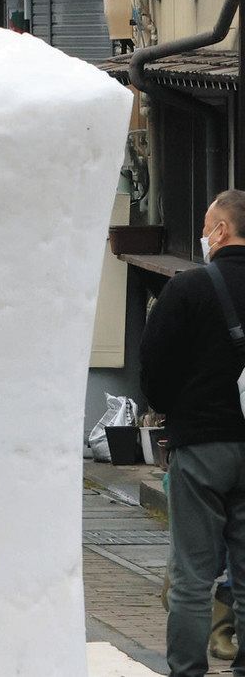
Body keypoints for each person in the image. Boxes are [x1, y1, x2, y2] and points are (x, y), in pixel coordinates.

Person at [141, 189, 245, 677]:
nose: (203, 235)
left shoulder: (188, 289)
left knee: (192, 576)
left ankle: (186, 671)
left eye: (206, 226)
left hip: (203, 443)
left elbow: (155, 372)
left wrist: (174, 409)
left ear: (222, 230)